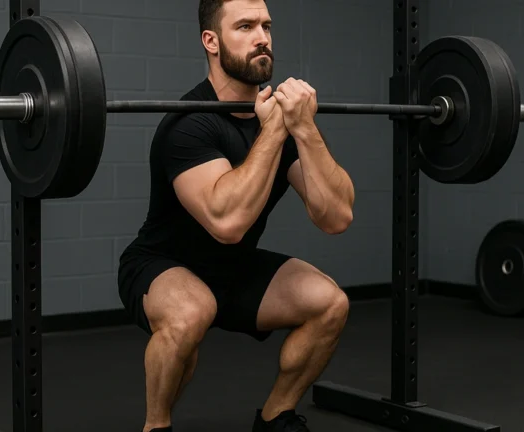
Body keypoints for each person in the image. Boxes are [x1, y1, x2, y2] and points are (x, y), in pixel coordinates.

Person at [117, 0, 355, 431]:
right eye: (244, 26)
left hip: (235, 269)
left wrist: (304, 129)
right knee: (192, 310)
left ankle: (276, 415)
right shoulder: (188, 124)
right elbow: (227, 224)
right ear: (211, 41)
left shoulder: (279, 124)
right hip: (163, 264)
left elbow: (336, 216)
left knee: (330, 305)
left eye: (266, 26)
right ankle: (156, 426)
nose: (262, 37)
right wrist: (276, 131)